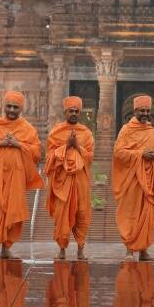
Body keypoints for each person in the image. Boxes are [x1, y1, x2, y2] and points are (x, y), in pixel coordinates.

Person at [0, 90, 43, 259]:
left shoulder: (27, 129)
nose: (12, 110)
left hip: (16, 179)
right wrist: (0, 143)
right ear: (4, 106)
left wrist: (18, 144)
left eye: (15, 107)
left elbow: (37, 153)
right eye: (9, 106)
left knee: (13, 211)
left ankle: (7, 247)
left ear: (21, 109)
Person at [112, 95, 154, 262]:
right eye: (142, 110)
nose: (145, 113)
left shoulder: (152, 132)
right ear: (135, 111)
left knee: (148, 216)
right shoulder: (126, 130)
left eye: (148, 111)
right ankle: (129, 250)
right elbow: (119, 153)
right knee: (130, 214)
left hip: (149, 181)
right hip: (132, 181)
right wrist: (141, 154)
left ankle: (144, 251)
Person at [45, 96, 94, 261]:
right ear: (65, 112)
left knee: (82, 215)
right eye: (71, 111)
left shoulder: (86, 133)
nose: (74, 113)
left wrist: (77, 146)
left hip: (80, 181)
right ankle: (62, 250)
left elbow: (90, 157)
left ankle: (81, 249)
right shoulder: (55, 132)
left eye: (76, 111)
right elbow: (50, 157)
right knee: (61, 215)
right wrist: (66, 146)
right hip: (62, 181)